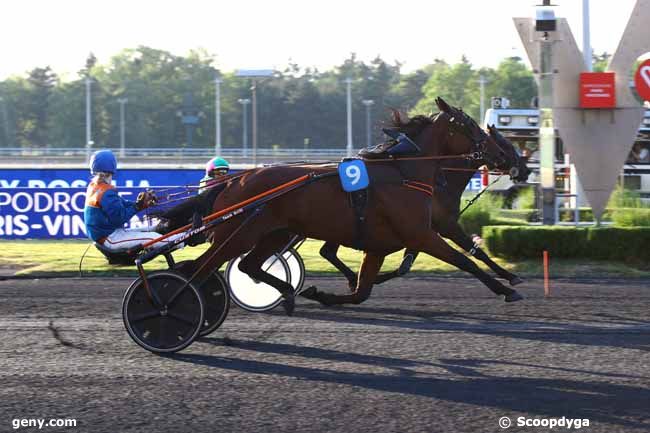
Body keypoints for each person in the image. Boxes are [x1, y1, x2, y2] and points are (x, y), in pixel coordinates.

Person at [84, 149, 181, 251]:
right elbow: (119, 218)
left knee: (152, 229)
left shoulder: (94, 186)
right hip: (110, 238)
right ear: (112, 167)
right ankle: (182, 240)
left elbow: (122, 204)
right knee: (152, 237)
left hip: (107, 234)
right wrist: (137, 207)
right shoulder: (107, 191)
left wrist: (138, 204)